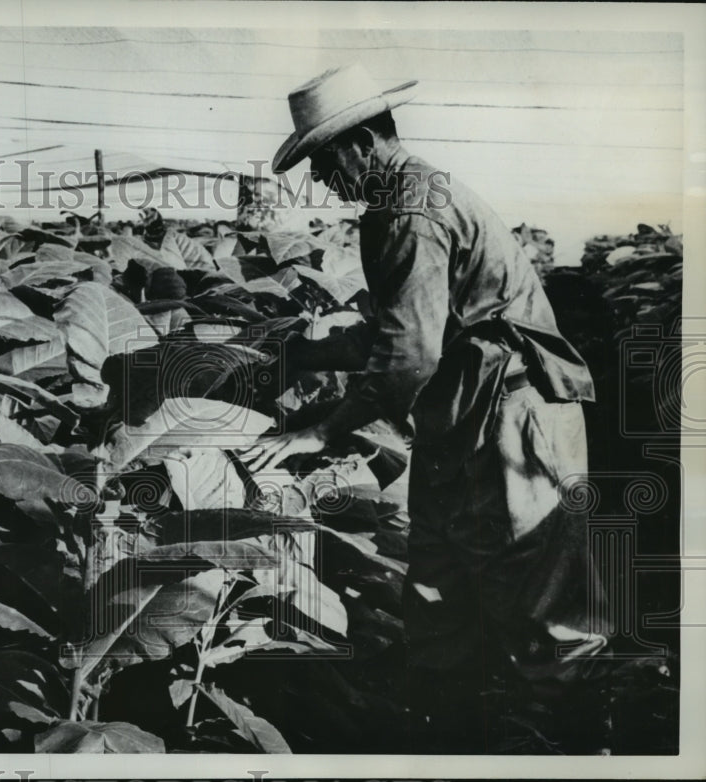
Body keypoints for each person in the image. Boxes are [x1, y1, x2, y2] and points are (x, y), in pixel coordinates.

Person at [241, 63, 609, 752]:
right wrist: (294, 354)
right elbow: (406, 331)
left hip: (514, 421)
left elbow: (409, 354)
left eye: (322, 160)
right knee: (441, 597)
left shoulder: (411, 207)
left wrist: (320, 431)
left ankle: (578, 751)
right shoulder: (399, 202)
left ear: (361, 143)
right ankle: (453, 746)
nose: (321, 179)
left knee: (542, 606)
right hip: (462, 423)